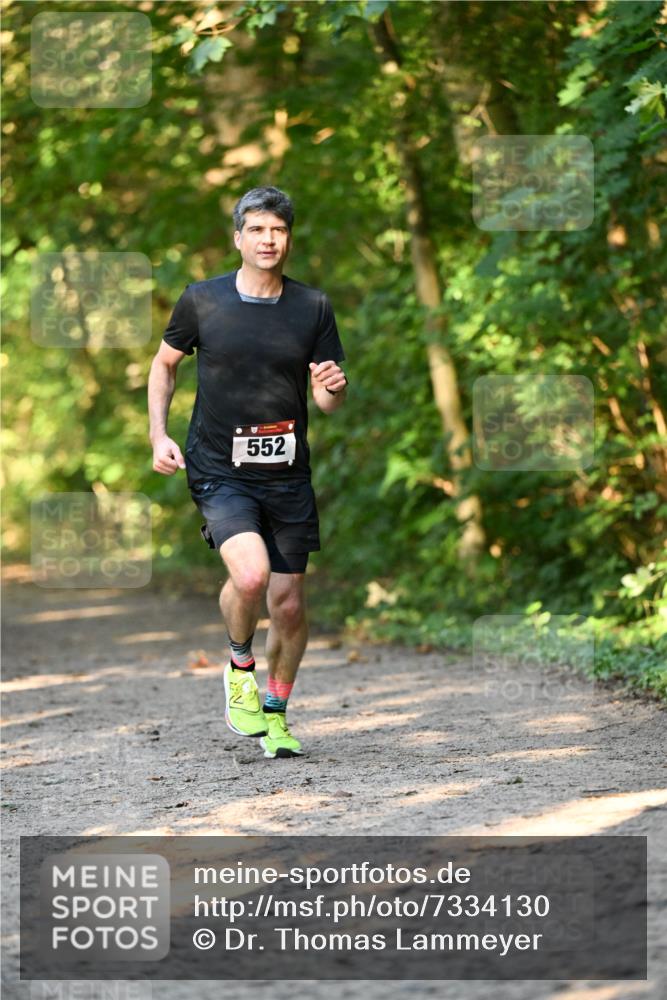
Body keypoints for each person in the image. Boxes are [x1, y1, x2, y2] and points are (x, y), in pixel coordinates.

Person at [148, 186, 347, 759]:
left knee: (288, 604)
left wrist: (328, 390)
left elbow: (332, 396)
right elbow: (164, 367)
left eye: (278, 230)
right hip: (219, 468)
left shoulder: (312, 306)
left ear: (289, 238)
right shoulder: (202, 300)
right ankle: (240, 665)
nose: (268, 240)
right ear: (238, 238)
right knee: (253, 577)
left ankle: (277, 713)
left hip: (287, 472)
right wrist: (158, 435)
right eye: (257, 230)